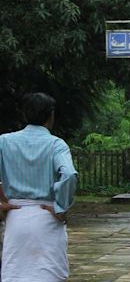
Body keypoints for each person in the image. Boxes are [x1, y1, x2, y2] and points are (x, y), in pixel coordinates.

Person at [0, 92, 78, 282]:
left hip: (16, 216)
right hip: (47, 215)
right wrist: (61, 206)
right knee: (48, 272)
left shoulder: (4, 141)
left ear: (25, 114)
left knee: (15, 273)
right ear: (51, 115)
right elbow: (68, 174)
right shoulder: (56, 145)